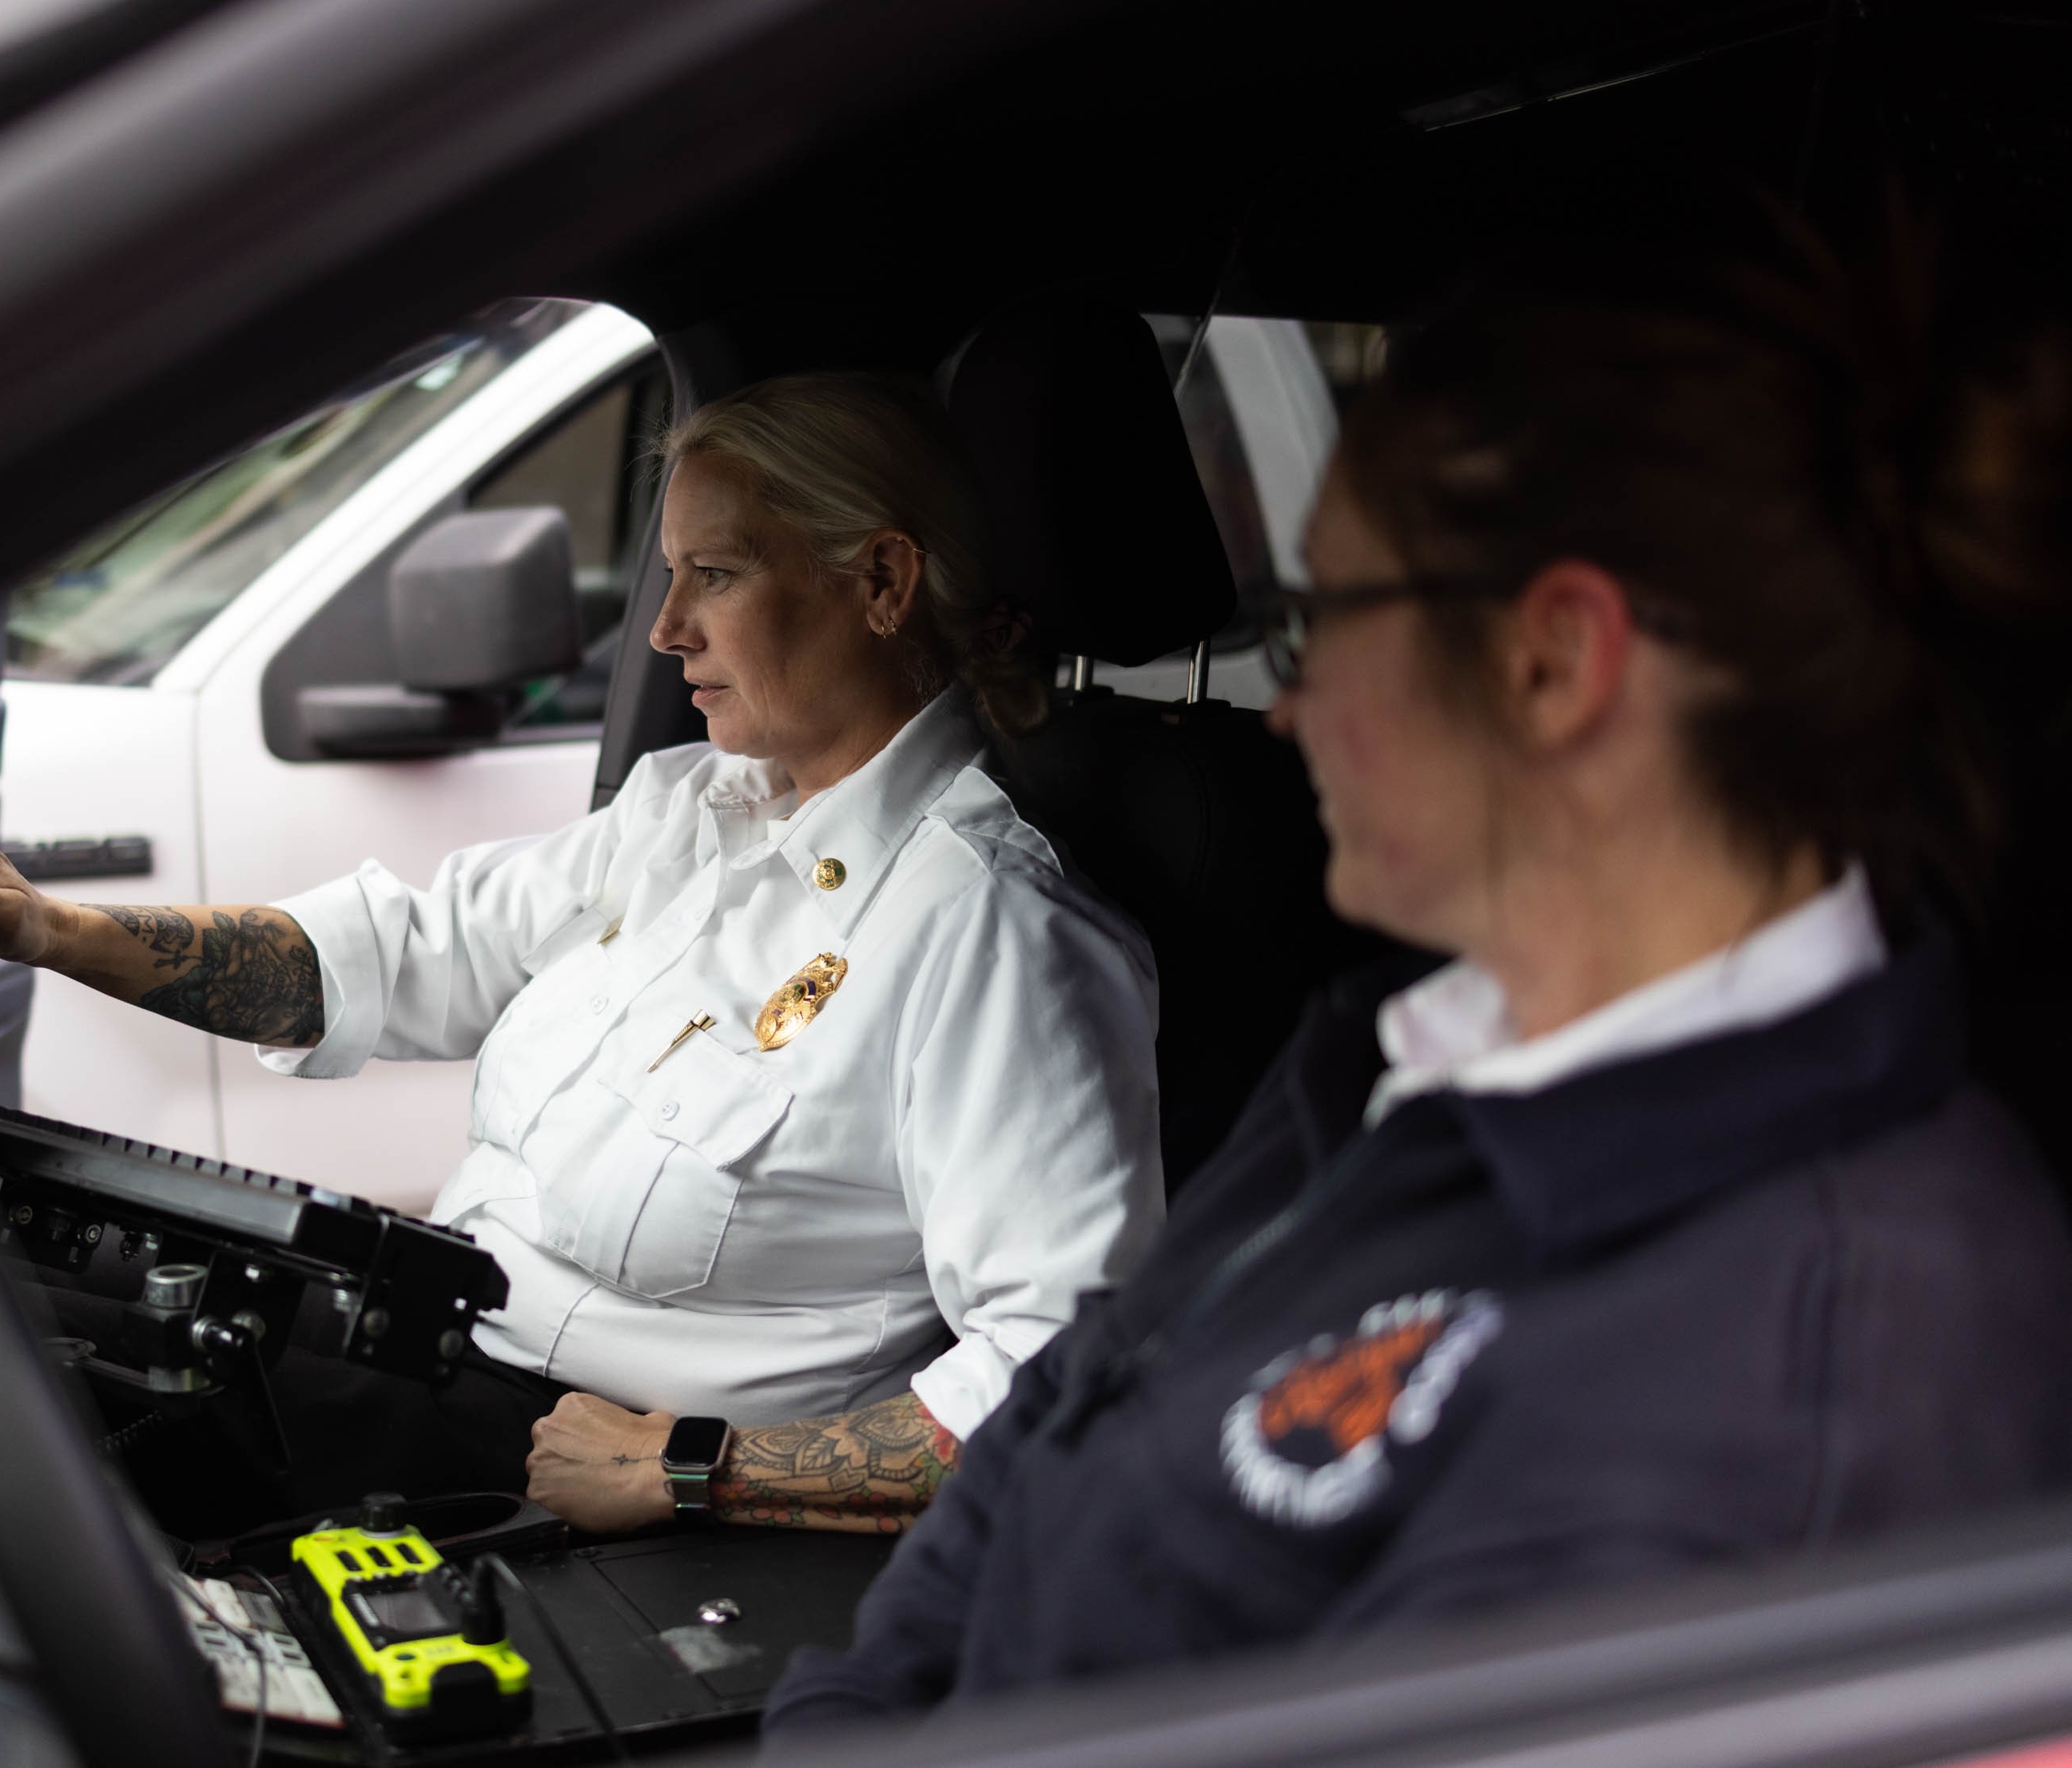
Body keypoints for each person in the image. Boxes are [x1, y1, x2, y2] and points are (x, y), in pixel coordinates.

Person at [766, 228, 2072, 1727]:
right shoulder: (1391, 1057)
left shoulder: (1809, 1359)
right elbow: (1058, 1420)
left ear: (1552, 662)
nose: (1289, 705)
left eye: (1324, 621)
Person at [0, 371, 1163, 1535]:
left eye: (715, 576)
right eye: (670, 576)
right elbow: (406, 953)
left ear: (883, 581)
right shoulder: (686, 810)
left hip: (551, 1457)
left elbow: (1067, 1362)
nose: (668, 629)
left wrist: (690, 1468)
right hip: (424, 1324)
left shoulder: (987, 931)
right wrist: (55, 930)